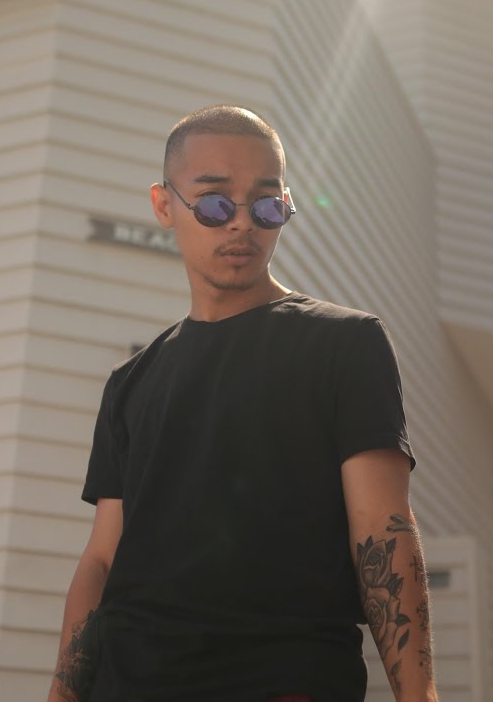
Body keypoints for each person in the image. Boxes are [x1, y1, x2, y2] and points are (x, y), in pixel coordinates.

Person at [46, 105, 439, 702]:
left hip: (285, 681)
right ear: (163, 205)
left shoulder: (345, 344)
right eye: (213, 203)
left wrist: (419, 695)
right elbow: (102, 559)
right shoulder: (130, 383)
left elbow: (382, 530)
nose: (241, 224)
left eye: (265, 205)